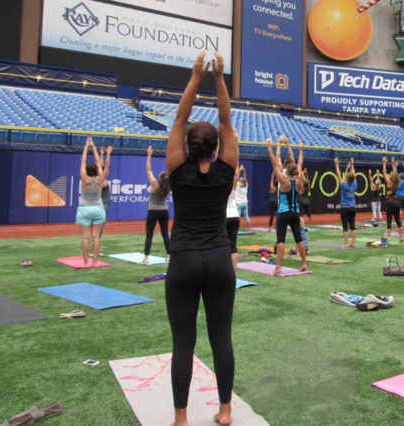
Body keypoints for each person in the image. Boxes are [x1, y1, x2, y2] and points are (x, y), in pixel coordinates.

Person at [164, 51, 237, 426]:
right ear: (215, 147)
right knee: (221, 339)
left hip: (185, 260)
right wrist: (219, 78)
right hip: (219, 260)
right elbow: (226, 120)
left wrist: (195, 77)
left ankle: (181, 418)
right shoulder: (227, 169)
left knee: (183, 342)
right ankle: (225, 412)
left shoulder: (176, 168)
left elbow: (179, 118)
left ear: (191, 147)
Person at [266, 136, 308, 275]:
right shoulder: (298, 179)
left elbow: (274, 162)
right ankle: (303, 264)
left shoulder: (283, 181)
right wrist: (300, 150)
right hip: (295, 213)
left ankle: (278, 266)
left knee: (281, 239)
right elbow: (299, 163)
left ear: (286, 169)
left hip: (284, 213)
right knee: (299, 238)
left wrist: (270, 148)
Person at [76, 138, 107, 267]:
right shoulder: (100, 179)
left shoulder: (84, 179)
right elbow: (99, 165)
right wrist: (94, 147)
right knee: (96, 237)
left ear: (87, 171)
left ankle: (85, 262)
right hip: (98, 209)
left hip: (84, 209)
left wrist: (86, 146)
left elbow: (82, 162)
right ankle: (94, 262)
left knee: (85, 237)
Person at [141, 146, 171, 264]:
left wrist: (149, 155)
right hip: (164, 211)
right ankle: (169, 255)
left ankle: (146, 258)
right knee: (165, 234)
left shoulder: (155, 184)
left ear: (160, 178)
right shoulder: (168, 187)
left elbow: (148, 170)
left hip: (153, 211)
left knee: (149, 235)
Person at [336, 157, 357, 248]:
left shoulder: (344, 186)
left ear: (347, 179)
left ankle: (346, 244)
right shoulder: (354, 184)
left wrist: (336, 165)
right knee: (352, 226)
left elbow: (339, 176)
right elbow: (354, 175)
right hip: (353, 208)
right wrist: (351, 165)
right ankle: (353, 243)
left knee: (345, 226)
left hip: (345, 208)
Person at [382, 156, 404, 243]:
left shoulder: (390, 182)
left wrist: (384, 163)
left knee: (389, 221)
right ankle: (401, 237)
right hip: (396, 202)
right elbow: (395, 173)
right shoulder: (397, 182)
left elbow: (384, 172)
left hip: (390, 203)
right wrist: (392, 163)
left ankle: (389, 237)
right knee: (398, 220)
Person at [98, 146, 113, 241]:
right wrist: (108, 154)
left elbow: (101, 166)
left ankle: (96, 245)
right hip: (103, 205)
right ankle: (95, 246)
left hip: (100, 205)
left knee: (98, 227)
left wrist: (101, 154)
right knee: (99, 228)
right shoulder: (102, 180)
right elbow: (105, 166)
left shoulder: (98, 180)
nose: (108, 171)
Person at [234, 164, 250, 231]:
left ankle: (236, 229)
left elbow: (237, 177)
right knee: (246, 216)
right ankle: (249, 229)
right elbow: (245, 178)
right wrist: (244, 171)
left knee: (238, 216)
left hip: (238, 203)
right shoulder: (246, 185)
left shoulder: (237, 185)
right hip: (245, 202)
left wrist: (239, 170)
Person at [395, 160, 404, 224]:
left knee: (398, 209)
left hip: (398, 196)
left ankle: (398, 220)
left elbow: (395, 174)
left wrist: (396, 167)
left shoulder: (398, 182)